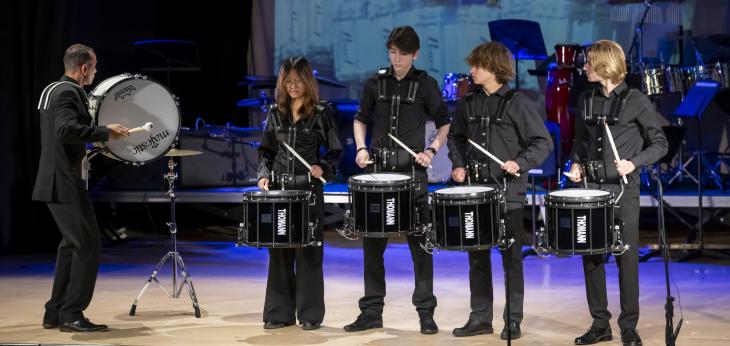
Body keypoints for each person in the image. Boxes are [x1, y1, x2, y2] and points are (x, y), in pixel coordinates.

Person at [344, 25, 450, 335]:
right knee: (372, 246)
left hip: (412, 176)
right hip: (378, 175)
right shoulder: (375, 83)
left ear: (415, 54)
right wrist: (362, 149)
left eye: (403, 54)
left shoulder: (426, 84)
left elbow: (444, 123)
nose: (397, 59)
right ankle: (371, 311)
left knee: (421, 247)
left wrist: (431, 150)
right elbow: (360, 119)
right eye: (393, 52)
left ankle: (426, 313)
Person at [447, 41, 553, 340]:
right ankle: (480, 317)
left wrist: (519, 163)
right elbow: (456, 138)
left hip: (508, 193)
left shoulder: (518, 103)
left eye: (477, 65)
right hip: (476, 192)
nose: (471, 70)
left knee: (511, 259)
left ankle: (513, 320)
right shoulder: (468, 103)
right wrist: (458, 164)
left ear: (494, 68)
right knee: (477, 257)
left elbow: (542, 143)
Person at [567, 40, 667, 346]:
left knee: (626, 259)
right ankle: (600, 324)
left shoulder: (636, 99)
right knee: (592, 258)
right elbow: (581, 140)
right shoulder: (586, 98)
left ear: (604, 65)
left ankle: (628, 327)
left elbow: (660, 143)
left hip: (624, 191)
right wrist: (575, 164)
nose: (584, 67)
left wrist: (633, 162)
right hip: (592, 190)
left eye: (588, 62)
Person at [33, 43, 129, 332]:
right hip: (64, 182)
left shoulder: (52, 89)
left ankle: (55, 311)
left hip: (55, 179)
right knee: (88, 246)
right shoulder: (68, 92)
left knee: (71, 246)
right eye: (94, 67)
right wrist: (104, 132)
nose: (96, 72)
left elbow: (61, 134)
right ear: (84, 68)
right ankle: (72, 313)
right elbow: (64, 131)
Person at [256, 56, 343, 331]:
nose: (293, 86)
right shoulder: (274, 113)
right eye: (288, 81)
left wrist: (323, 168)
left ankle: (310, 314)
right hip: (281, 190)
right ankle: (278, 313)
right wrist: (263, 174)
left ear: (308, 82)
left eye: (297, 81)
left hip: (308, 191)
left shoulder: (320, 113)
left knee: (309, 253)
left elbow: (335, 151)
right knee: (279, 252)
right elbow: (266, 152)